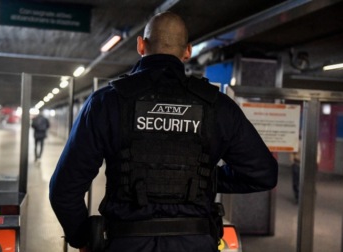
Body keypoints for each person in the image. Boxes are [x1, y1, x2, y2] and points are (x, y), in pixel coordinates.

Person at [49, 11, 278, 252]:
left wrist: (82, 238)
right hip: (196, 243)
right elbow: (263, 172)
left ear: (140, 45)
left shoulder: (106, 102)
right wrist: (205, 178)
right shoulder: (218, 106)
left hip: (126, 243)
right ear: (187, 51)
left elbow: (64, 189)